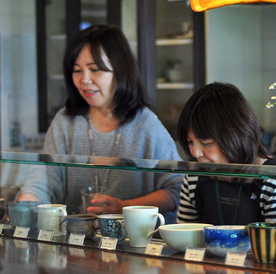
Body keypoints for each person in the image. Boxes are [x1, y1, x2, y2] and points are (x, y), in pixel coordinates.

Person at [18, 24, 183, 222]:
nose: (84, 80)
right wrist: (26, 204)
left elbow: (177, 189)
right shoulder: (65, 122)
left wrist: (124, 207)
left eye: (95, 70)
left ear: (120, 71)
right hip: (76, 241)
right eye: (77, 70)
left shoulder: (146, 125)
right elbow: (43, 181)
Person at [176, 82, 276, 233]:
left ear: (235, 135)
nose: (196, 153)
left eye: (206, 143)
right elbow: (183, 236)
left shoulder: (274, 179)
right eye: (190, 142)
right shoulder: (194, 176)